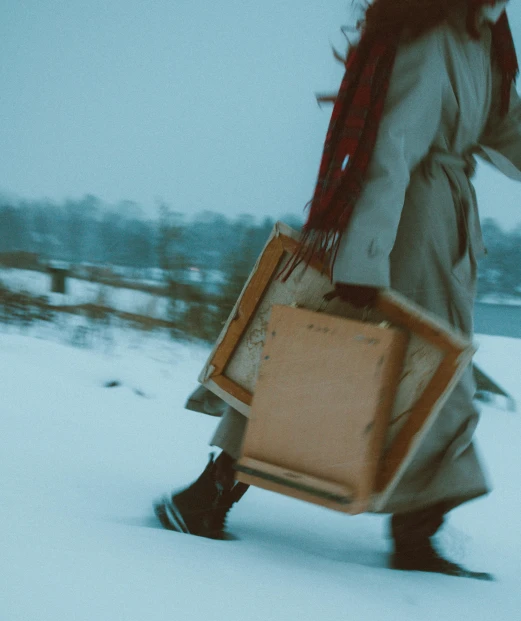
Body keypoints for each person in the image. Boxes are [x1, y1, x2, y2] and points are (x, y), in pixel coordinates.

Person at [155, 0, 521, 576]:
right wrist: (363, 259)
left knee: (395, 369)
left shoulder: (485, 39)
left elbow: (503, 122)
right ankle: (407, 534)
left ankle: (213, 495)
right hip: (410, 224)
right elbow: (390, 148)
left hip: (443, 225)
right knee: (408, 370)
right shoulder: (431, 35)